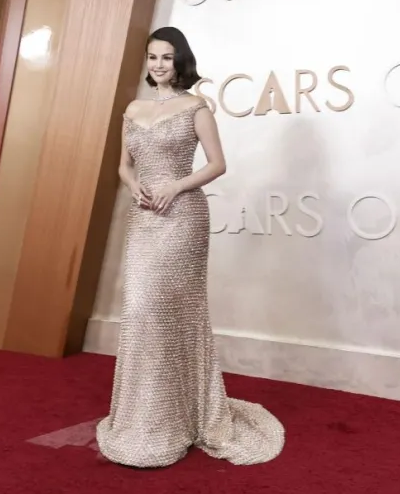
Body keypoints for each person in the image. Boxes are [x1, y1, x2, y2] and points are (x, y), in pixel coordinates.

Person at [95, 26, 285, 468]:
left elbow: (218, 164)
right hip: (144, 217)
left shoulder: (196, 107)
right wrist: (135, 186)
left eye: (167, 57)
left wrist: (175, 187)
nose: (159, 65)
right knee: (142, 310)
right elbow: (123, 165)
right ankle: (146, 415)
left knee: (170, 311)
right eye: (153, 57)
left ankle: (179, 418)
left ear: (181, 61)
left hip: (182, 218)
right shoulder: (133, 108)